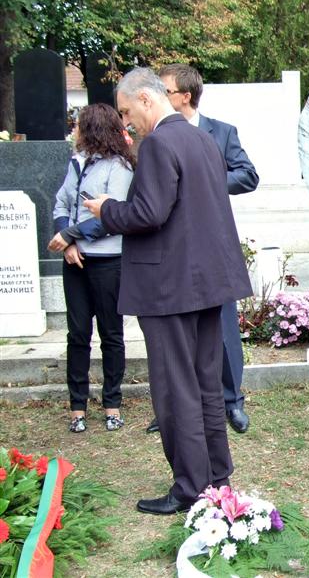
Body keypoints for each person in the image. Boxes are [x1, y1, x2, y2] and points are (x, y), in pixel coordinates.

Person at [84, 68, 252, 515]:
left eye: (126, 112)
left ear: (145, 98)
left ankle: (190, 486)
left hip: (169, 287)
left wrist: (107, 209)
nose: (126, 123)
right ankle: (216, 476)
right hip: (205, 282)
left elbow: (149, 213)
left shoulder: (159, 143)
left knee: (177, 389)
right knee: (206, 385)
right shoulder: (201, 138)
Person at [149, 63, 259, 434]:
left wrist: (203, 179)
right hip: (170, 248)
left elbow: (248, 175)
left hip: (210, 244)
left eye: (164, 90)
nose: (158, 96)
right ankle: (178, 406)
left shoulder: (221, 132)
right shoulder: (155, 136)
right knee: (176, 333)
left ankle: (232, 401)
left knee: (223, 331)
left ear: (185, 96)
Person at [48, 104, 135, 433]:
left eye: (79, 125)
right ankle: (77, 407)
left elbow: (114, 215)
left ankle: (112, 403)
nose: (75, 131)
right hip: (75, 261)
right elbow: (61, 203)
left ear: (93, 129)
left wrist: (69, 235)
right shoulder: (77, 162)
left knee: (111, 334)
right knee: (77, 335)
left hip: (108, 262)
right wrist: (68, 243)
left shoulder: (120, 166)